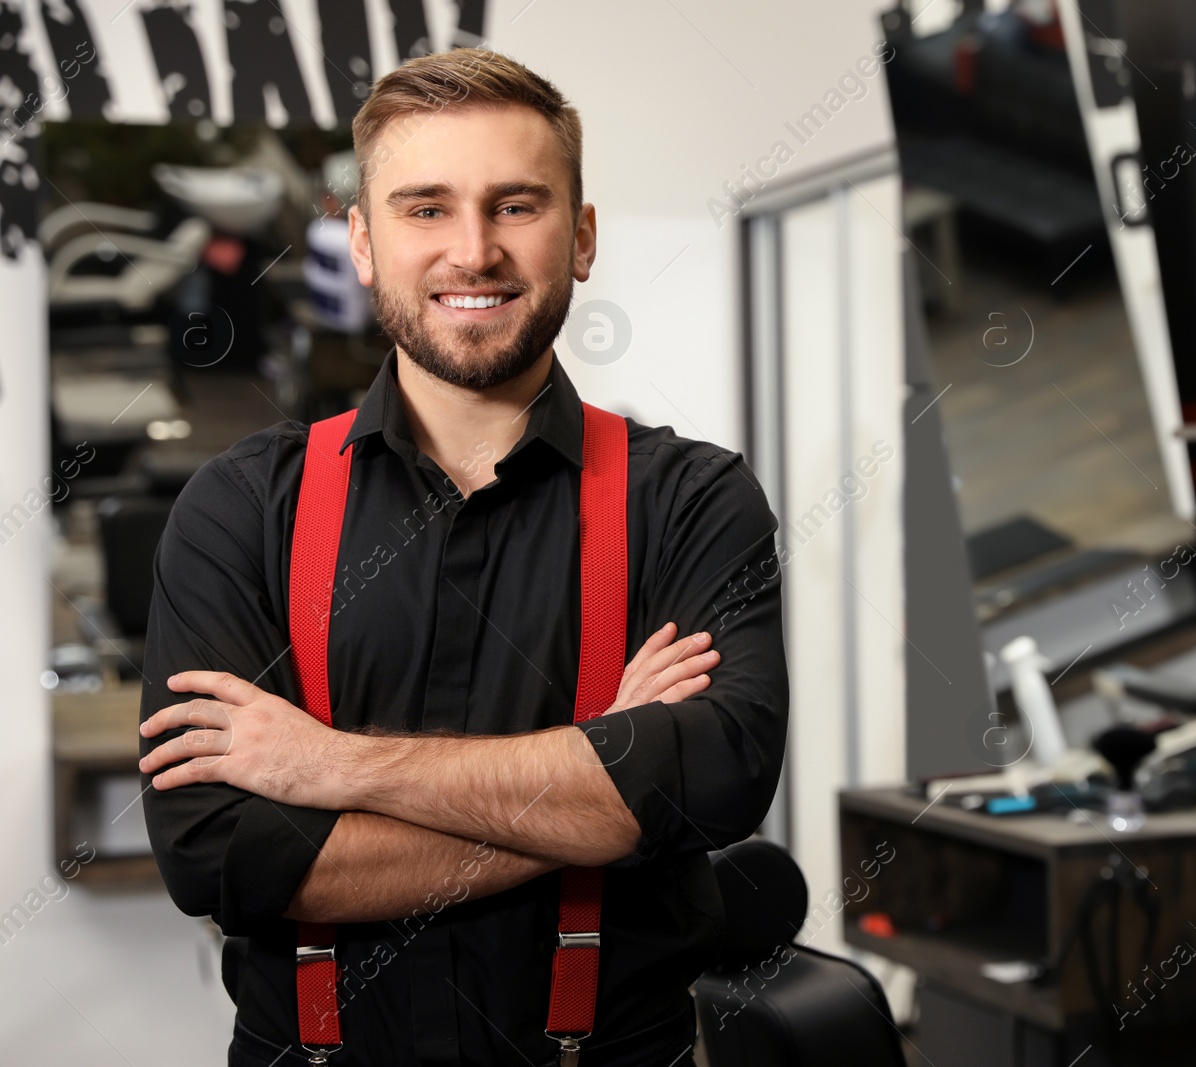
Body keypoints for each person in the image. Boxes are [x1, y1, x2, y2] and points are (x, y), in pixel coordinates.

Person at [138, 47, 788, 1067]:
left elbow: (709, 781)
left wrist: (331, 765)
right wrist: (600, 778)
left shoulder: (692, 500)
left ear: (580, 238)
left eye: (516, 206)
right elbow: (219, 854)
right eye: (425, 208)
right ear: (361, 243)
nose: (472, 251)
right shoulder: (239, 508)